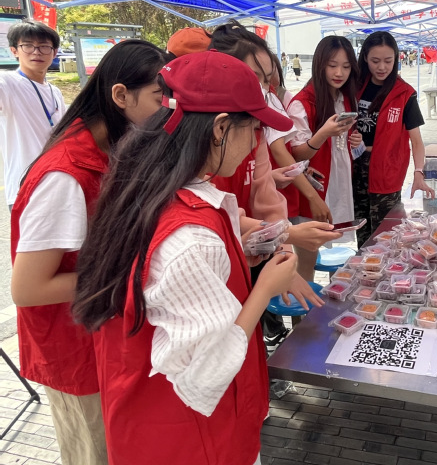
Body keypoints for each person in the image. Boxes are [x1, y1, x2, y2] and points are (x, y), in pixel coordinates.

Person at [72, 50, 298, 465]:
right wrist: (265, 289)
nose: (256, 142)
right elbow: (204, 373)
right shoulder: (191, 237)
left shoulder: (147, 190)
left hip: (150, 428)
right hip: (193, 440)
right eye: (254, 129)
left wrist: (239, 259)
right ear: (221, 128)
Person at [10, 39, 168, 465]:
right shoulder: (65, 174)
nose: (168, 111)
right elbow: (27, 288)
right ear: (120, 95)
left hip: (103, 336)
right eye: (159, 98)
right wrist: (135, 273)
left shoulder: (110, 151)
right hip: (75, 350)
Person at [210, 23, 333, 281]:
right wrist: (287, 233)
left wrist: (285, 258)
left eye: (267, 79)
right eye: (253, 76)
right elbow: (214, 213)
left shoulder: (256, 129)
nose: (263, 89)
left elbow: (267, 197)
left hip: (244, 251)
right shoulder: (196, 145)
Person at [354, 31, 434, 246]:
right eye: (375, 61)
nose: (382, 67)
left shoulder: (404, 93)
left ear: (396, 59)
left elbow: (416, 141)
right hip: (356, 169)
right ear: (365, 58)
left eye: (388, 61)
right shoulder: (355, 86)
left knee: (385, 235)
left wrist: (418, 172)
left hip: (386, 171)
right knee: (362, 232)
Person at [289, 36, 360, 235]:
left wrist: (356, 141)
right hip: (315, 185)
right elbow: (295, 155)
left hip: (340, 179)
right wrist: (323, 133)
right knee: (312, 242)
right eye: (332, 65)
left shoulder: (345, 98)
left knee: (338, 235)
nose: (339, 73)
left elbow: (344, 143)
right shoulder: (302, 103)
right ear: (320, 65)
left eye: (346, 67)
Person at [0, 19, 66, 210]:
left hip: (56, 185)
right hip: (24, 189)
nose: (36, 52)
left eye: (44, 46)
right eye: (28, 46)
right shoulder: (7, 83)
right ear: (14, 50)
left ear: (54, 52)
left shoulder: (55, 92)